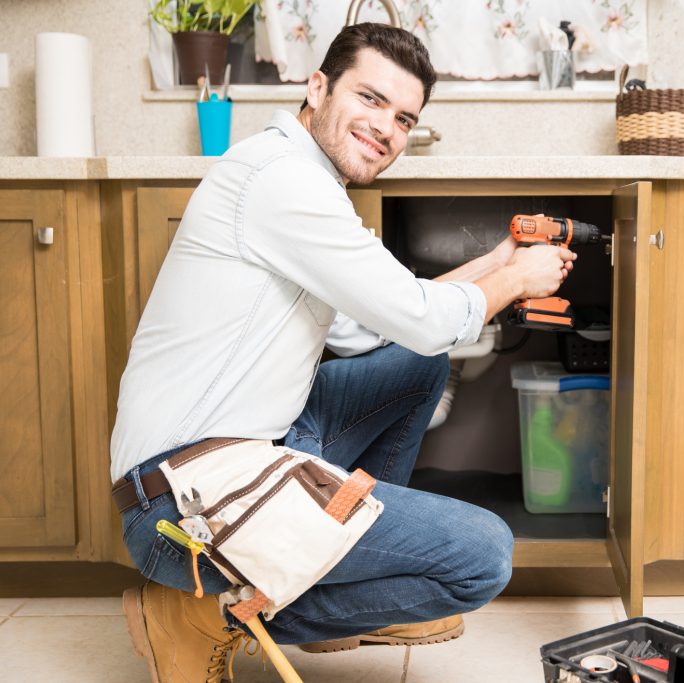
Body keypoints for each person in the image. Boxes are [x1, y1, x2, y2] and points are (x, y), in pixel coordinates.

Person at [112, 22, 576, 682]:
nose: (385, 127)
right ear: (318, 86)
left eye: (403, 116)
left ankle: (352, 576)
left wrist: (492, 264)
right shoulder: (283, 182)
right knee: (482, 555)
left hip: (246, 449)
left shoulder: (304, 180)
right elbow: (416, 316)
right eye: (369, 98)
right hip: (181, 502)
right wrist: (517, 280)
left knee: (417, 365)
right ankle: (201, 613)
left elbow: (381, 327)